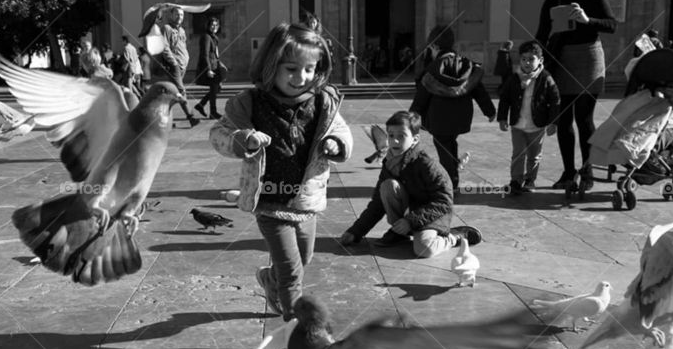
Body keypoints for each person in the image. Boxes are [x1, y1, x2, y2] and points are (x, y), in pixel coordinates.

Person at [209, 22, 353, 320]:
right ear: (271, 64)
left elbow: (341, 130)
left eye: (309, 69)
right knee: (292, 272)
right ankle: (296, 331)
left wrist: (336, 144)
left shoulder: (323, 101)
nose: (301, 77)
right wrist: (243, 139)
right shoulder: (249, 102)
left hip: (306, 199)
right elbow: (218, 134)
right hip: (269, 202)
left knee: (305, 258)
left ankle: (269, 280)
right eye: (291, 68)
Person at [339, 110, 481, 255]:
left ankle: (454, 237)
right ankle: (400, 233)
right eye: (391, 135)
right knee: (388, 186)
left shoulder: (426, 164)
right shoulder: (389, 163)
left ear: (415, 139)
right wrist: (356, 232)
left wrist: (410, 221)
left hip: (432, 215)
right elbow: (377, 203)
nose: (394, 141)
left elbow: (444, 203)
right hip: (410, 212)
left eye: (401, 136)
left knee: (424, 249)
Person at [535, 0, 616, 192]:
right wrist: (534, 56)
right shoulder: (551, 2)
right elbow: (541, 35)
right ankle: (569, 173)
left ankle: (588, 170)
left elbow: (612, 24)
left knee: (584, 118)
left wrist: (587, 20)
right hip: (561, 60)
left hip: (589, 58)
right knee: (563, 121)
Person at [409, 23, 496, 192]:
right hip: (461, 116)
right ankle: (453, 179)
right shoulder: (466, 65)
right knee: (450, 143)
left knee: (443, 147)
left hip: (439, 117)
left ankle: (449, 182)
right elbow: (479, 89)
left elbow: (422, 95)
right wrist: (490, 111)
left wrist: (412, 117)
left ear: (434, 46)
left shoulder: (433, 68)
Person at [496, 40, 561, 194]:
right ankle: (516, 181)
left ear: (540, 60)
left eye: (531, 59)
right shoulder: (515, 77)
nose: (527, 63)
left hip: (537, 125)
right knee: (518, 153)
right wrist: (502, 118)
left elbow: (555, 100)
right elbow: (505, 98)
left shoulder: (546, 78)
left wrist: (554, 122)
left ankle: (530, 179)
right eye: (524, 59)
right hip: (517, 124)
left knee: (534, 155)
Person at [153, 6, 197, 126]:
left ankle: (164, 120)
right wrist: (174, 62)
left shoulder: (182, 30)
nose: (179, 17)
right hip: (174, 66)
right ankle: (191, 117)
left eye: (182, 15)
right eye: (177, 14)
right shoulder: (166, 28)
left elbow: (183, 47)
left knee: (172, 94)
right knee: (181, 92)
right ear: (171, 15)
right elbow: (164, 47)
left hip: (182, 66)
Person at [194, 17, 226, 119]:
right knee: (214, 88)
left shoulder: (214, 37)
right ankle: (213, 112)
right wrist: (208, 69)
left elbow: (215, 54)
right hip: (210, 67)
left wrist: (220, 65)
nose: (214, 27)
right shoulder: (206, 37)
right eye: (212, 25)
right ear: (208, 26)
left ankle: (201, 105)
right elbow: (205, 54)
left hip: (215, 66)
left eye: (216, 25)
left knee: (217, 88)